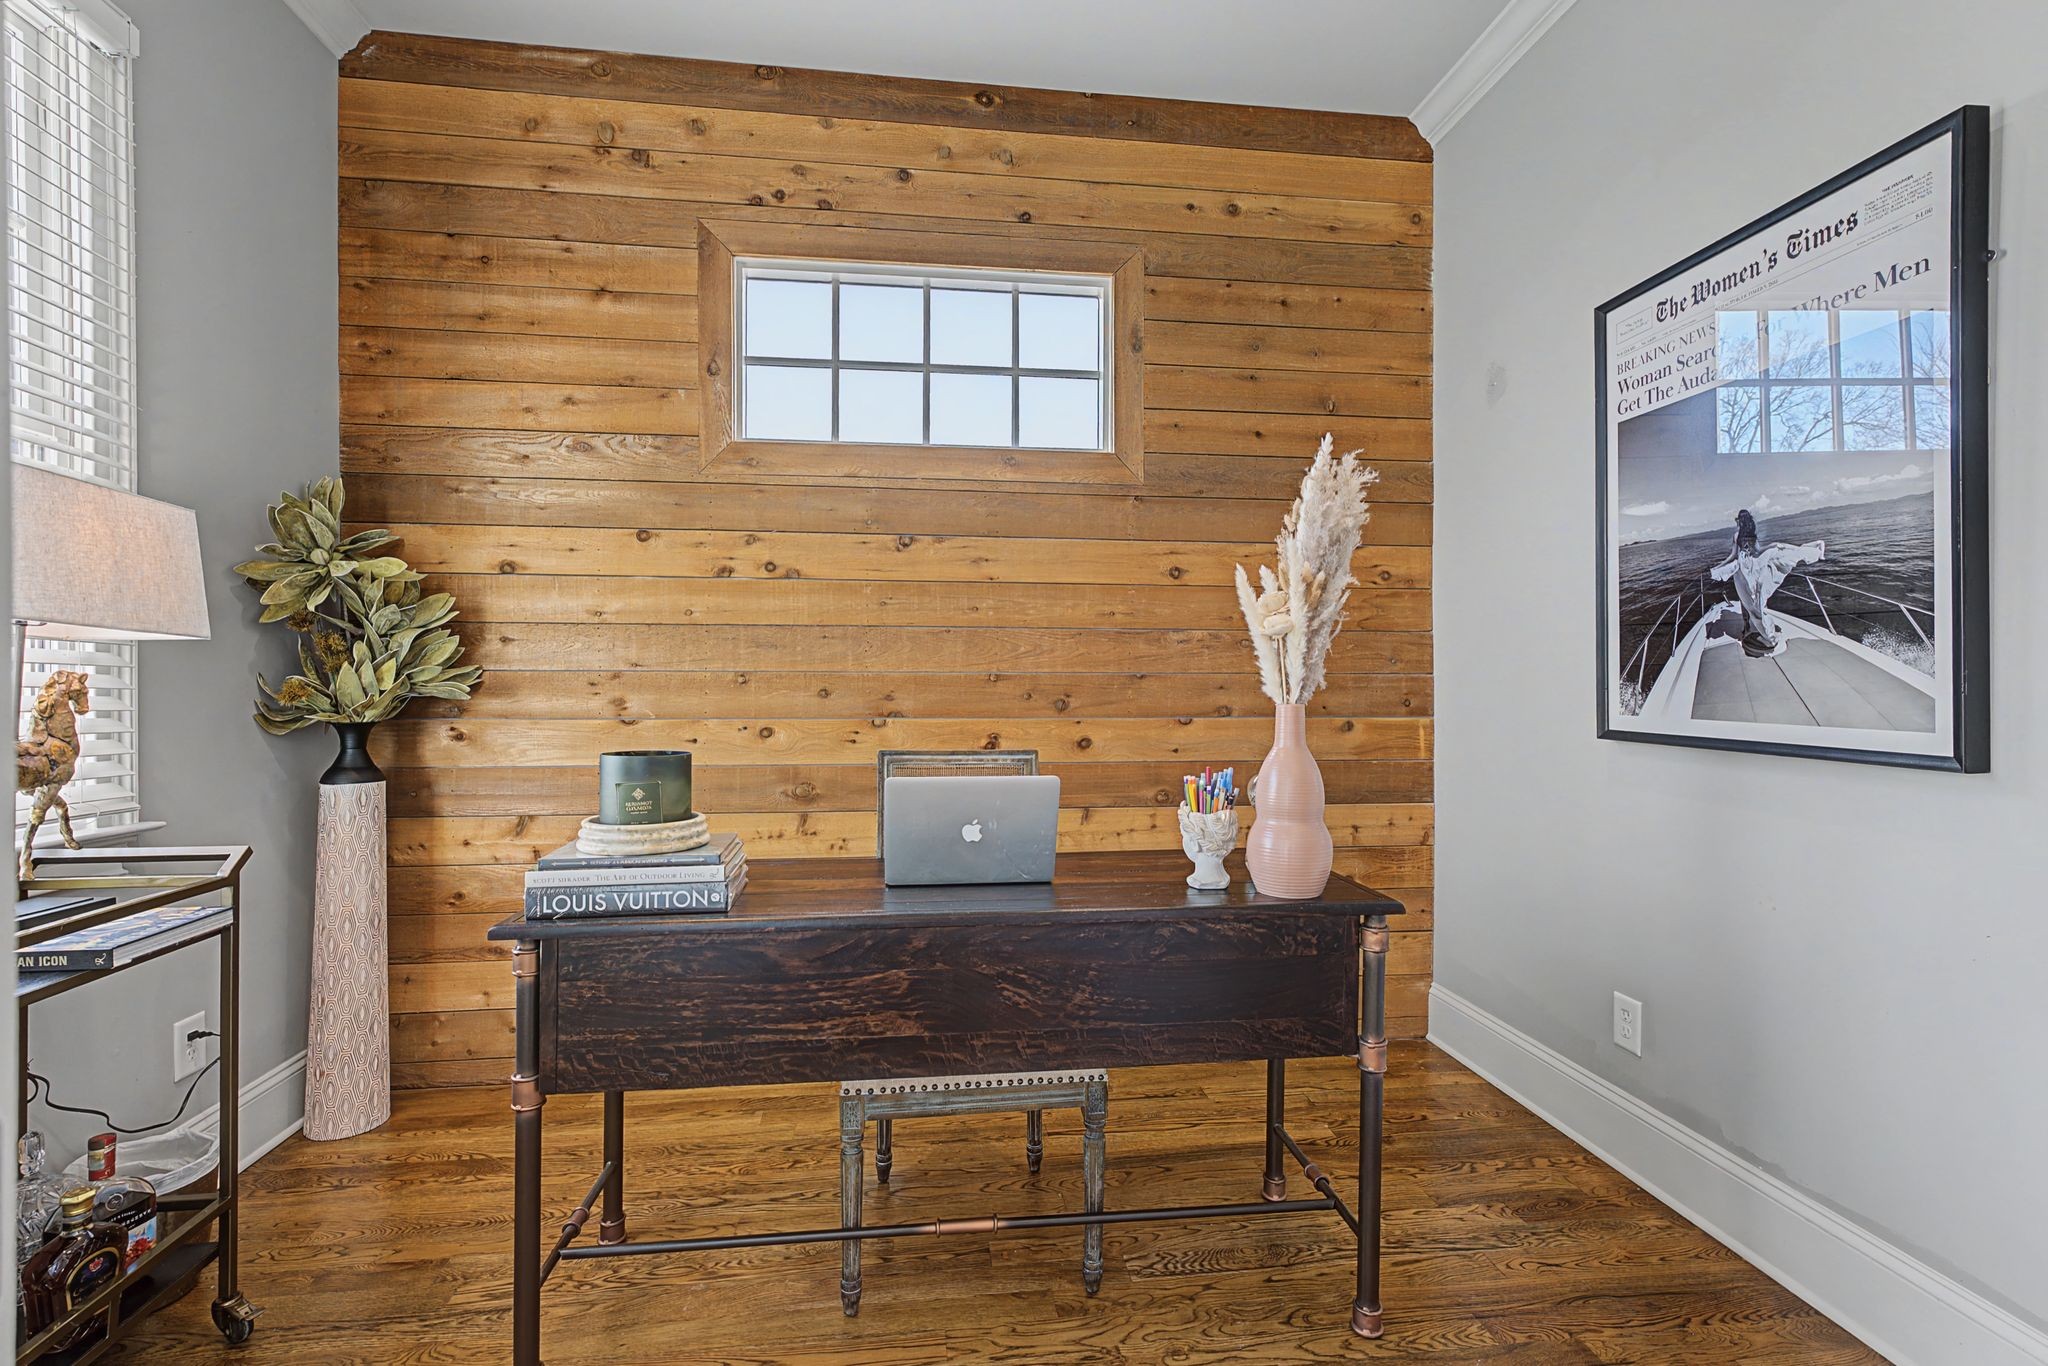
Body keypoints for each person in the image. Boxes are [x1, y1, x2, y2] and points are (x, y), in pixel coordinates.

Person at [1702, 509, 1825, 658]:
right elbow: (1758, 551)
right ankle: (1757, 629)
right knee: (1754, 599)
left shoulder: (1736, 536)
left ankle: (1750, 629)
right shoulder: (1752, 535)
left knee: (1746, 599)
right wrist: (1774, 547)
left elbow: (1733, 555)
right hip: (1754, 567)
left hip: (1743, 569)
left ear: (1739, 521)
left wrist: (1719, 566)